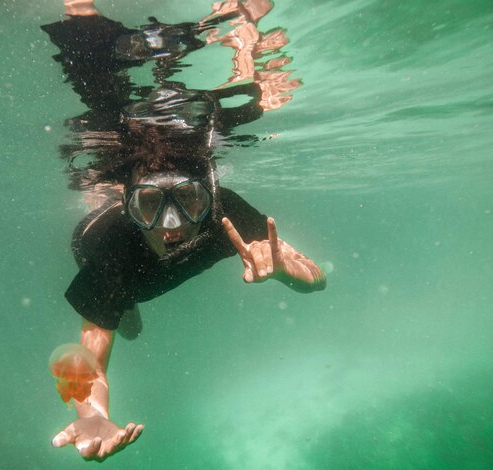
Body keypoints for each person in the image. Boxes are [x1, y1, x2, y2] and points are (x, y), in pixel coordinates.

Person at [43, 0, 326, 462]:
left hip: (136, 271)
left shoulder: (226, 215)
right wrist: (92, 412)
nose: (171, 225)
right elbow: (89, 351)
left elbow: (316, 279)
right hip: (91, 244)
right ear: (128, 200)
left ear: (209, 194)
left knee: (120, 306)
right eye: (151, 205)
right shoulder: (114, 252)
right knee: (119, 316)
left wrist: (286, 272)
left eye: (189, 201)